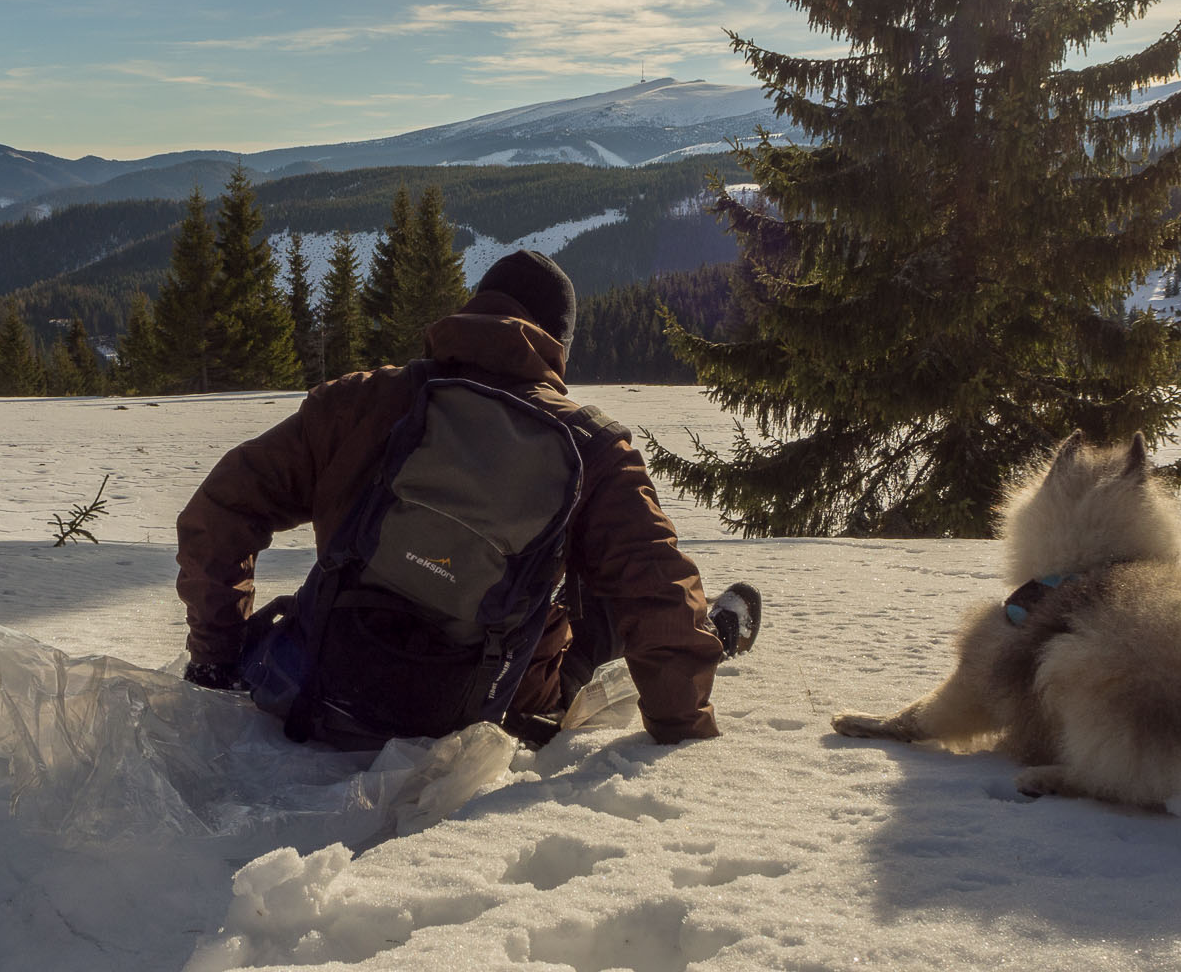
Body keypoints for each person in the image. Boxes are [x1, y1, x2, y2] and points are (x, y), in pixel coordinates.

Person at [175, 248, 760, 745]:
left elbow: (220, 510)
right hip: (479, 715)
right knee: (606, 604)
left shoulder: (364, 401)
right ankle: (716, 634)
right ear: (559, 346)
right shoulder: (593, 448)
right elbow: (656, 590)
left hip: (326, 682)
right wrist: (681, 731)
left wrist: (217, 655)